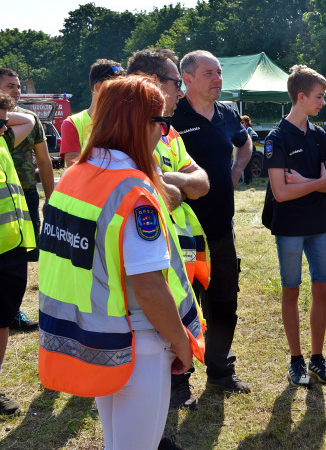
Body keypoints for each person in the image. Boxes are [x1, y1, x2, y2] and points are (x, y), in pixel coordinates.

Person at [37, 75, 205, 450]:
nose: (162, 135)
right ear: (137, 125)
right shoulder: (132, 191)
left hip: (97, 338)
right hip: (139, 343)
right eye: (160, 124)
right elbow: (148, 286)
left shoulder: (73, 178)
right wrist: (181, 343)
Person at [126, 48, 212, 412]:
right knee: (153, 326)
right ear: (153, 82)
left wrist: (165, 181)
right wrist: (174, 188)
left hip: (180, 249)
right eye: (177, 83)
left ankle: (178, 384)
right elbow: (157, 194)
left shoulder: (170, 132)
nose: (181, 92)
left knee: (183, 307)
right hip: (143, 252)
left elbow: (202, 182)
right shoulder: (125, 130)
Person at [170, 50, 252, 402]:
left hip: (221, 229)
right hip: (181, 233)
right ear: (186, 78)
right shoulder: (172, 114)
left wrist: (236, 171)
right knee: (181, 304)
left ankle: (220, 370)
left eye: (219, 72)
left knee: (224, 303)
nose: (218, 78)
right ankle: (178, 378)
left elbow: (245, 144)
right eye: (209, 73)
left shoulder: (228, 114)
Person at [264, 65, 326, 387]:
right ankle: (296, 360)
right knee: (291, 291)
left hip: (318, 225)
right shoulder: (276, 138)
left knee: (322, 287)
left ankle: (317, 358)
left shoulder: (319, 134)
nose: (323, 102)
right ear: (301, 96)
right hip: (290, 227)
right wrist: (319, 182)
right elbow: (281, 192)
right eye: (319, 97)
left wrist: (308, 181)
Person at [0, 68, 53, 330]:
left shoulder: (30, 118)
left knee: (23, 258)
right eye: (10, 86)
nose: (17, 91)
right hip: (4, 200)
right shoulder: (10, 121)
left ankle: (13, 311)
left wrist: (50, 197)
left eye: (18, 86)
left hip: (25, 196)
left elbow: (43, 160)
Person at [0, 91, 35, 415]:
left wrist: (3, 113)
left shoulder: (2, 138)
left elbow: (28, 119)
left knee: (2, 320)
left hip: (11, 248)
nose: (2, 127)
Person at [60, 59, 124, 167]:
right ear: (98, 87)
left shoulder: (126, 121)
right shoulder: (72, 123)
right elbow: (73, 166)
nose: (122, 92)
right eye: (116, 87)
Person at [240, 115, 259, 184]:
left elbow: (255, 136)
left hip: (251, 149)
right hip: (246, 149)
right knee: (245, 165)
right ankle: (247, 180)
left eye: (242, 122)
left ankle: (247, 181)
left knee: (247, 165)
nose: (241, 124)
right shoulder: (243, 130)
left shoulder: (249, 129)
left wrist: (250, 142)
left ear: (246, 123)